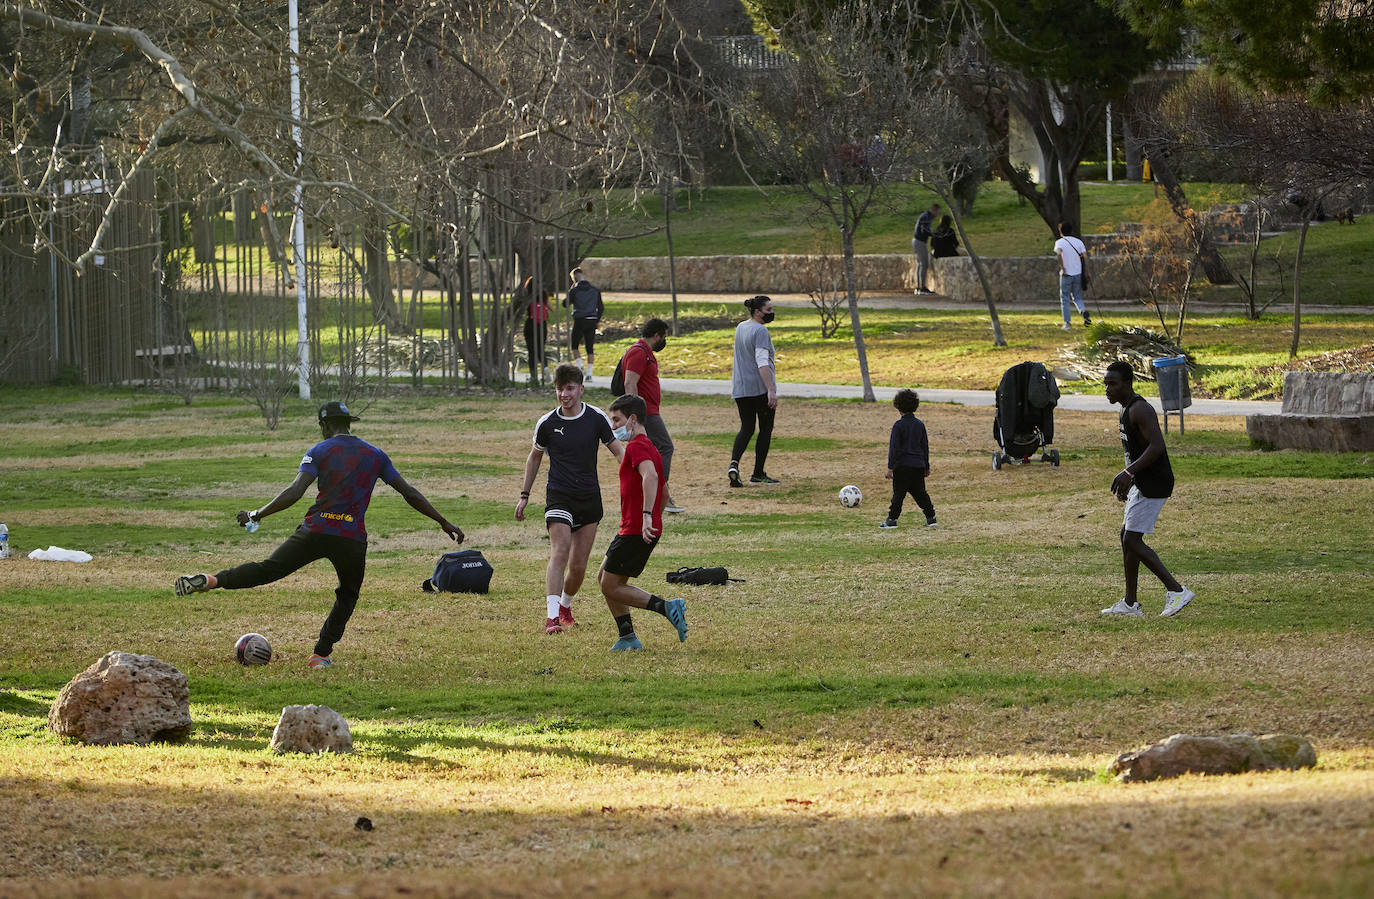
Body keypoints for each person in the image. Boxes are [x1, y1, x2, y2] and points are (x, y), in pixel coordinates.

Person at [173, 402, 464, 669]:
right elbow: (409, 492)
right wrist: (442, 520)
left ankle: (213, 580)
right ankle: (320, 655)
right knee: (347, 594)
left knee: (267, 570)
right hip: (351, 537)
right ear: (349, 423)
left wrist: (255, 514)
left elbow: (295, 492)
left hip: (316, 529)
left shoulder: (320, 450)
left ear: (325, 426)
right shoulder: (375, 455)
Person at [516, 363, 624, 635]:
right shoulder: (547, 423)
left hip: (589, 498)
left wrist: (634, 482)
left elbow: (619, 453)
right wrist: (524, 495)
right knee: (560, 552)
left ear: (581, 389)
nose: (564, 395)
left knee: (578, 567)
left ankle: (565, 606)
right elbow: (535, 457)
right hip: (559, 496)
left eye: (569, 389)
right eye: (559, 389)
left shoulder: (596, 418)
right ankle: (552, 618)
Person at [1101, 361, 1195, 619]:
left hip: (1154, 482)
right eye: (1105, 384)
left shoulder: (1140, 409)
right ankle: (1130, 604)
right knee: (1126, 536)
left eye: (1113, 384)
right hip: (1140, 481)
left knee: (1131, 539)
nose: (1107, 389)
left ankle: (1177, 591)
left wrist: (1129, 474)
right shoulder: (1125, 409)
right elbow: (1136, 452)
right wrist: (1129, 480)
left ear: (1127, 383)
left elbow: (1157, 447)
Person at [597, 393, 687, 651]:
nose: (613, 426)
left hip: (637, 528)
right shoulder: (650, 447)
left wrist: (647, 517)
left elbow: (650, 478)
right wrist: (653, 518)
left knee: (610, 585)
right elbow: (666, 493)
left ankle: (667, 608)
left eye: (617, 420)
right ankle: (627, 637)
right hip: (634, 527)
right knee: (604, 577)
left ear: (632, 419)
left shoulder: (637, 447)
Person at [619, 317, 683, 513]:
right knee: (665, 447)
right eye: (664, 336)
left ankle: (655, 494)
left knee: (651, 452)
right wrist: (636, 415)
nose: (664, 340)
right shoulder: (639, 353)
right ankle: (659, 494)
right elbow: (630, 384)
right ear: (657, 335)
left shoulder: (644, 353)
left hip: (648, 412)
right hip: (647, 414)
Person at [728, 295, 779, 488]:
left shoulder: (741, 327)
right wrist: (770, 390)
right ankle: (758, 472)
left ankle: (734, 464)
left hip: (741, 389)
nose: (771, 313)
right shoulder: (761, 331)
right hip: (758, 389)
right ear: (757, 312)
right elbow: (762, 362)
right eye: (768, 310)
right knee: (765, 429)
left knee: (747, 427)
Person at [879, 389, 937, 529]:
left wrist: (890, 467)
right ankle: (931, 517)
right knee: (921, 493)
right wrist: (926, 466)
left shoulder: (898, 426)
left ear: (898, 406)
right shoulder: (920, 425)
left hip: (902, 466)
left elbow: (894, 448)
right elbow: (925, 447)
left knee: (899, 494)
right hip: (918, 465)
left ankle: (892, 519)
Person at [563, 267, 604, 380]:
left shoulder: (575, 290)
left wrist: (571, 289)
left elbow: (565, 304)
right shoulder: (595, 290)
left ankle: (581, 367)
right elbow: (601, 307)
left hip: (580, 319)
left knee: (574, 345)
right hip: (592, 319)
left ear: (574, 278)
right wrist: (597, 320)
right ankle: (590, 373)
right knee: (589, 347)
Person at [1054, 221, 1091, 331]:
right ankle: (1083, 311)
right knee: (1077, 297)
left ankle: (1067, 323)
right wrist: (1087, 272)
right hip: (1078, 273)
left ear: (1061, 232)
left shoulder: (1059, 242)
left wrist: (1063, 268)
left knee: (1065, 298)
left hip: (1066, 274)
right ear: (1071, 231)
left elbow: (1059, 254)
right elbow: (1085, 257)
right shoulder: (1078, 242)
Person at [520, 277, 551, 381]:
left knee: (531, 351)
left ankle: (533, 376)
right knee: (540, 348)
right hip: (542, 324)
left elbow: (521, 308)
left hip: (530, 324)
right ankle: (545, 367)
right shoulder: (543, 294)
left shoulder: (527, 296)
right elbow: (551, 308)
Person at [912, 203, 940, 294]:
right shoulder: (927, 217)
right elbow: (925, 230)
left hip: (917, 241)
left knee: (920, 264)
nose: (938, 214)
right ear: (934, 210)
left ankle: (918, 287)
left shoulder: (925, 216)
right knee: (924, 264)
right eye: (937, 212)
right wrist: (933, 235)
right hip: (920, 242)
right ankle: (922, 288)